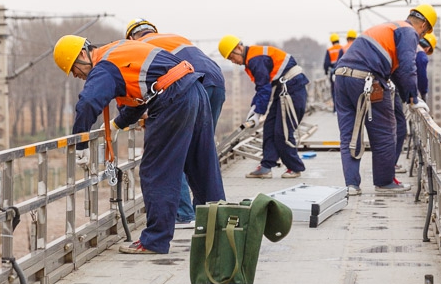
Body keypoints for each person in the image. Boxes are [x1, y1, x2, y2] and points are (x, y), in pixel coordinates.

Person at [52, 34, 226, 254]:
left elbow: (87, 102)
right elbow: (139, 98)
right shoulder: (117, 51)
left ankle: (155, 240)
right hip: (194, 89)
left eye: (75, 69)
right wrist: (117, 125)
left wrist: (81, 144)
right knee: (202, 165)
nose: (77, 76)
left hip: (173, 98)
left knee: (156, 171)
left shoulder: (103, 66)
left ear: (83, 54)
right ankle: (221, 230)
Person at [124, 18, 226, 228]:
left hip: (190, 84)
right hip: (215, 82)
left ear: (131, 37)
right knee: (201, 151)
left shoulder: (139, 47)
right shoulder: (174, 38)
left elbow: (144, 85)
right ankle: (207, 213)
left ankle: (183, 214)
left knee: (173, 150)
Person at [331, 5, 436, 196]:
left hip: (341, 76)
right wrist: (413, 98)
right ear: (423, 25)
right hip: (367, 80)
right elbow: (407, 67)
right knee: (385, 132)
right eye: (425, 32)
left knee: (349, 134)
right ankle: (385, 182)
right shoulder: (409, 32)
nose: (422, 36)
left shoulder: (390, 27)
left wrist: (408, 97)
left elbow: (395, 72)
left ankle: (351, 185)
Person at [217, 36, 309, 179]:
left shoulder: (255, 59)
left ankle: (294, 167)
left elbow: (264, 89)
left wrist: (258, 112)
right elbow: (262, 87)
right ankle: (266, 167)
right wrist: (254, 109)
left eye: (232, 57)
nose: (233, 61)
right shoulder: (252, 58)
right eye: (229, 60)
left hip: (292, 89)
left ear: (239, 48)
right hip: (284, 89)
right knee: (270, 128)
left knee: (282, 131)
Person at [390, 32, 436, 184]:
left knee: (393, 125)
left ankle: (389, 166)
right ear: (428, 47)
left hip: (389, 84)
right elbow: (421, 77)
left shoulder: (409, 47)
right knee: (400, 127)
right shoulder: (421, 55)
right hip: (394, 89)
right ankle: (391, 166)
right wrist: (422, 94)